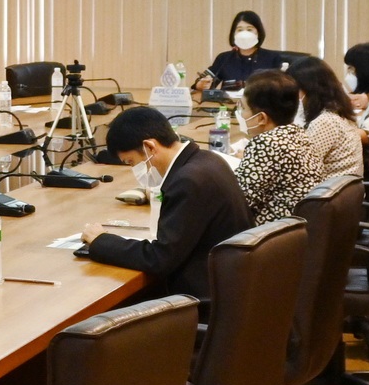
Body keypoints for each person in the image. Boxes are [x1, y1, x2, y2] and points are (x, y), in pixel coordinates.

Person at [81, 106, 251, 301]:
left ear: (150, 147)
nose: (134, 169)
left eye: (131, 162)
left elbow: (159, 258)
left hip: (206, 299)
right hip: (231, 285)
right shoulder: (208, 159)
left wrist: (101, 241)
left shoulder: (188, 180)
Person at [231, 70, 323, 224]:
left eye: (244, 108)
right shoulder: (299, 134)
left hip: (273, 231)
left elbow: (238, 201)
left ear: (261, 118)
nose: (241, 114)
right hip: (300, 227)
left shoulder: (267, 144)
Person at [291, 57, 364, 179]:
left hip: (327, 189)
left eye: (294, 89)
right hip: (339, 188)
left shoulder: (326, 121)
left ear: (308, 89)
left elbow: (300, 168)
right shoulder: (339, 111)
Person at [195, 10, 272, 99]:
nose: (244, 34)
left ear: (258, 33)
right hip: (228, 105)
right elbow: (204, 82)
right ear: (234, 34)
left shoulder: (272, 58)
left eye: (249, 29)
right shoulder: (224, 58)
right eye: (239, 30)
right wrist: (201, 84)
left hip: (260, 105)